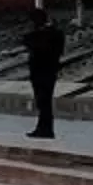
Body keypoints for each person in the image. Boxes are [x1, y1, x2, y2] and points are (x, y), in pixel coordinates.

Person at [24, 8, 66, 140]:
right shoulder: (46, 34)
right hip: (43, 71)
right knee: (42, 101)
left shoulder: (50, 34)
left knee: (44, 101)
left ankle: (46, 129)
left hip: (45, 71)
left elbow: (32, 43)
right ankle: (43, 127)